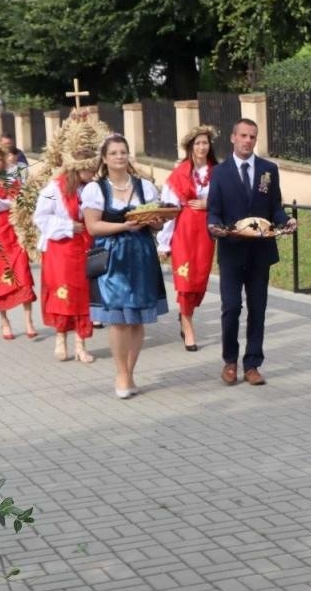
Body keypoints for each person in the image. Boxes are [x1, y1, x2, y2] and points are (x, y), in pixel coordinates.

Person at [207, 118, 296, 386]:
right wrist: (214, 227)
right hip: (232, 251)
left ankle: (253, 364)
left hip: (260, 252)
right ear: (233, 138)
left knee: (258, 308)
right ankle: (230, 362)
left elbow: (275, 207)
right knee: (231, 307)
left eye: (252, 137)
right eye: (243, 135)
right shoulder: (220, 172)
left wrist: (286, 221)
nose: (248, 141)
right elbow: (214, 210)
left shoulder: (268, 170)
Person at [83, 133, 168, 398]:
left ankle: (130, 372)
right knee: (118, 319)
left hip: (141, 254)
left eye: (123, 152)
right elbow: (93, 226)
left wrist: (156, 222)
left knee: (137, 319)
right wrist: (124, 226)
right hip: (113, 257)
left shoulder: (145, 187)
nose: (119, 157)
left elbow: (157, 224)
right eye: (114, 153)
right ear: (105, 158)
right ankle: (121, 373)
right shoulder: (96, 189)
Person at [33, 122, 102, 364]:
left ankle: (81, 345)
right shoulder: (53, 188)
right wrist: (68, 226)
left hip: (84, 247)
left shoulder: (91, 189)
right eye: (89, 170)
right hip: (61, 249)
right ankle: (61, 339)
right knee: (63, 294)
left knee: (83, 295)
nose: (92, 174)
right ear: (78, 169)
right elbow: (40, 217)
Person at [158, 125, 217, 351]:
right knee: (185, 280)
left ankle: (187, 313)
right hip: (183, 231)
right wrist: (164, 242)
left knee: (199, 279)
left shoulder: (218, 172)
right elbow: (169, 209)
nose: (202, 147)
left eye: (205, 143)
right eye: (198, 143)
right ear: (190, 147)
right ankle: (187, 323)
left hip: (205, 232)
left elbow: (228, 200)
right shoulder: (180, 173)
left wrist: (208, 204)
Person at [0, 147, 37, 341]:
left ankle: (29, 321)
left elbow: (23, 205)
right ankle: (4, 321)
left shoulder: (12, 181)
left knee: (23, 274)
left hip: (13, 234)